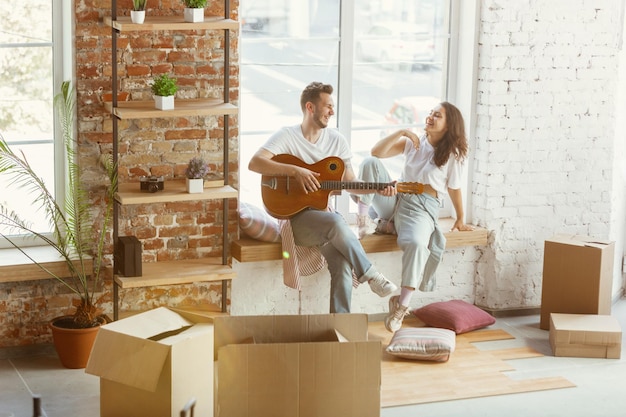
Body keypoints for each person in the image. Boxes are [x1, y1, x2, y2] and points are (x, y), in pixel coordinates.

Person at [248, 81, 398, 314]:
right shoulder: (287, 136)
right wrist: (295, 171)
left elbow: (350, 184)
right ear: (310, 107)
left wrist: (377, 188)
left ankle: (340, 330)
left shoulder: (336, 141)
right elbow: (255, 163)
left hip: (323, 217)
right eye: (327, 106)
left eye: (333, 106)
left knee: (343, 265)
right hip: (295, 218)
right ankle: (371, 275)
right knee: (338, 222)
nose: (332, 111)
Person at [353, 101, 473, 332]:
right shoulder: (413, 142)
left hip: (421, 207)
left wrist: (460, 217)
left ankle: (401, 304)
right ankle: (364, 220)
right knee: (370, 163)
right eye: (430, 113)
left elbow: (454, 188)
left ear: (449, 126)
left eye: (437, 115)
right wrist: (402, 132)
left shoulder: (453, 155)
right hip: (397, 198)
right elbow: (376, 152)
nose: (430, 117)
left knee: (417, 243)